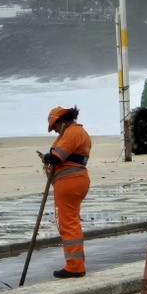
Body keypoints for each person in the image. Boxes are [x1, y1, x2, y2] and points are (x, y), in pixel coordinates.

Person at [38, 105, 92, 279]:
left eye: (54, 127)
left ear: (61, 121)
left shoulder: (72, 132)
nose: (55, 131)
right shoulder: (79, 132)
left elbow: (56, 157)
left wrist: (47, 157)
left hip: (69, 182)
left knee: (67, 224)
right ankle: (77, 263)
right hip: (77, 180)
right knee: (72, 222)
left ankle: (74, 267)